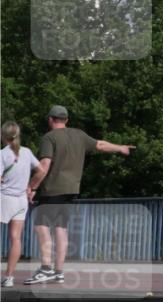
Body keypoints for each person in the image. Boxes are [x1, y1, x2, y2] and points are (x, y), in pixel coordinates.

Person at [23, 106, 134, 285]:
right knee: (61, 229)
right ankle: (59, 271)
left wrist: (32, 186)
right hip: (72, 189)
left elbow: (44, 164)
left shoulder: (49, 137)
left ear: (50, 119)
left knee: (41, 226)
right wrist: (119, 147)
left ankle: (45, 269)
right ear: (66, 120)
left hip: (53, 189)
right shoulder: (79, 135)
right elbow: (100, 145)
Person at [2, 122, 39, 287]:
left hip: (4, 198)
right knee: (15, 238)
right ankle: (9, 277)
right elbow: (42, 170)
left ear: (3, 136)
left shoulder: (2, 154)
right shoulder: (27, 152)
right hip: (21, 200)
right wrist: (32, 187)